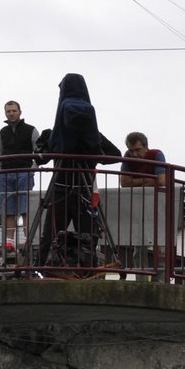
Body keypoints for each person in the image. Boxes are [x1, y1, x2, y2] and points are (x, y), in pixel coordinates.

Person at [35, 73, 120, 270]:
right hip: (83, 190)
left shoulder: (54, 135)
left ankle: (37, 270)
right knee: (89, 235)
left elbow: (39, 158)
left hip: (62, 189)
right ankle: (86, 269)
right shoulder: (92, 135)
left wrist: (56, 147)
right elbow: (115, 155)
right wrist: (92, 152)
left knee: (49, 236)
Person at [0, 101, 37, 257]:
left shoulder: (30, 130)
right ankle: (9, 241)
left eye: (13, 110)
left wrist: (32, 168)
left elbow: (38, 150)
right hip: (6, 172)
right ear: (5, 113)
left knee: (25, 208)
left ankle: (27, 239)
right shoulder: (3, 132)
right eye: (8, 111)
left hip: (24, 171)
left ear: (20, 112)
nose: (11, 113)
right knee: (8, 209)